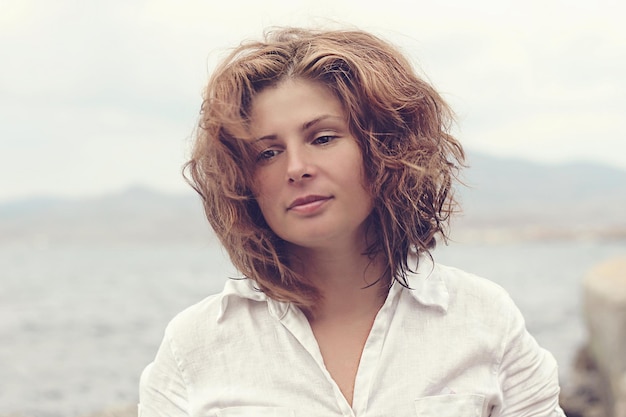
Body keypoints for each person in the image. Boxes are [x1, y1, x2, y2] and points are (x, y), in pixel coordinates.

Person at [139, 27, 566, 416]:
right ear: (242, 180)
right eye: (267, 152)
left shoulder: (483, 319)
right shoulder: (194, 346)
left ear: (385, 149)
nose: (297, 167)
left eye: (323, 138)